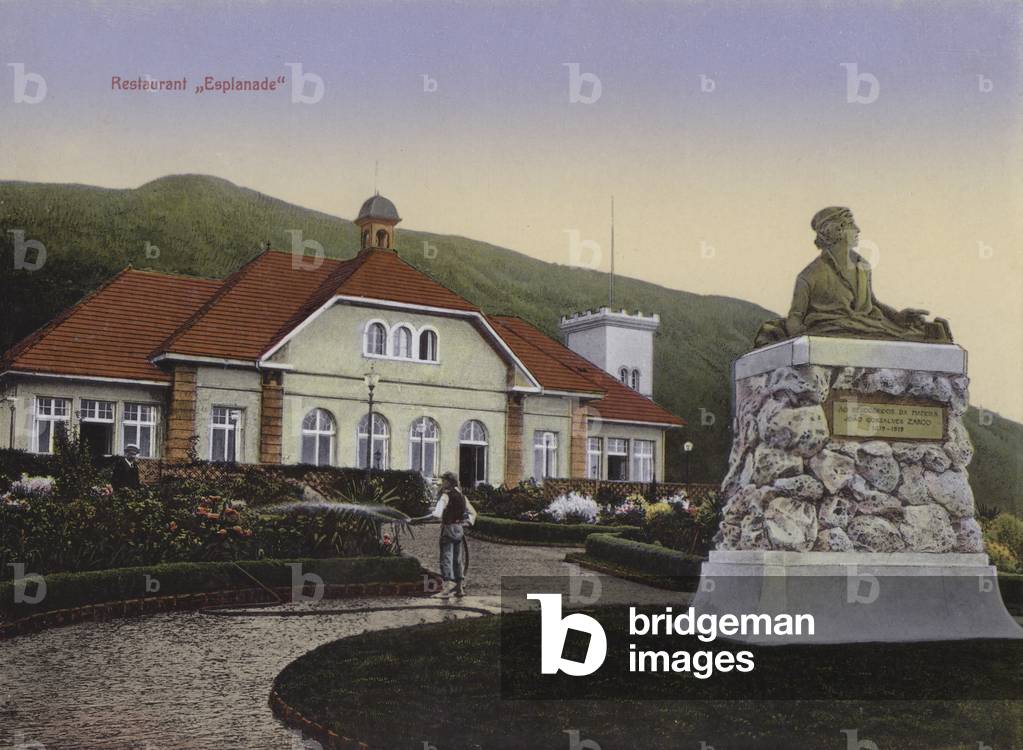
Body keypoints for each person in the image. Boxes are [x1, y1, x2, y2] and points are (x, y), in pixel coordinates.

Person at [755, 207, 952, 348]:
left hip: (869, 323)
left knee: (932, 332)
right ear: (836, 231)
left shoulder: (863, 266)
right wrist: (799, 342)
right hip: (834, 327)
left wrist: (898, 316)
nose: (858, 230)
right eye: (851, 225)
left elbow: (873, 302)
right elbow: (795, 317)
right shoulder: (809, 276)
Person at [411, 471, 477, 597]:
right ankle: (459, 589)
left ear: (448, 482)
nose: (442, 483)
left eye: (444, 480)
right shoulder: (462, 496)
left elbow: (437, 514)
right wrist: (466, 523)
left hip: (448, 529)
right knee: (458, 559)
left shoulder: (445, 496)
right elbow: (473, 513)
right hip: (459, 530)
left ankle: (446, 589)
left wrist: (418, 519)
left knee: (446, 558)